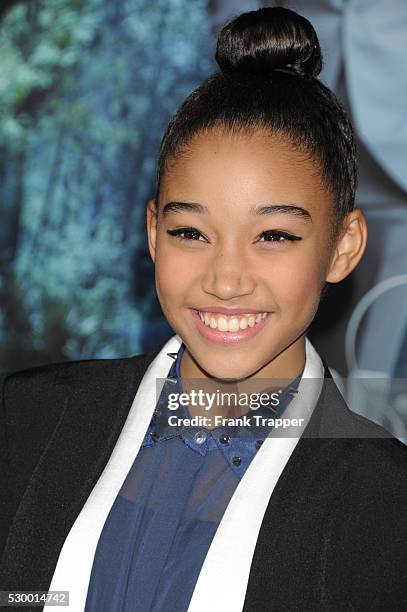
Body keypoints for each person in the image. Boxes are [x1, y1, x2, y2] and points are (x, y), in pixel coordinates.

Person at [0, 7, 406, 612]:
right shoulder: (25, 420)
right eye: (191, 232)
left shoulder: (386, 504)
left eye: (274, 236)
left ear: (342, 246)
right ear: (153, 233)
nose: (226, 279)